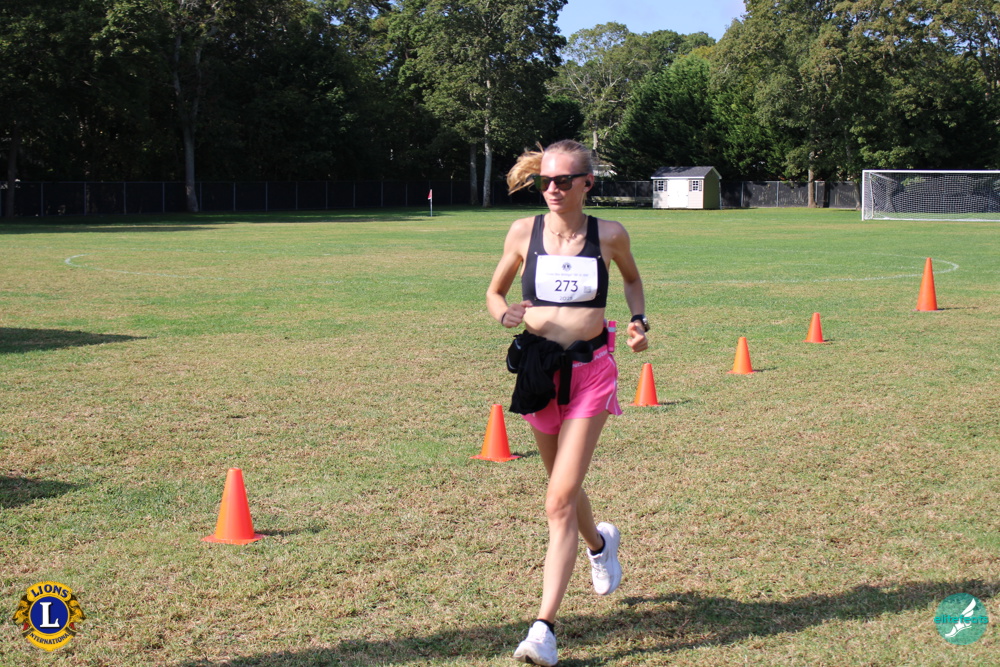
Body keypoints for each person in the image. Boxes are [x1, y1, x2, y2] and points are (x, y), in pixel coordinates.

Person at [486, 139, 649, 666]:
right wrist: (503, 313)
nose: (552, 189)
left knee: (557, 501)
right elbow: (493, 292)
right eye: (545, 181)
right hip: (538, 371)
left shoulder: (610, 234)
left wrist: (638, 321)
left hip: (590, 372)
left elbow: (632, 281)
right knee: (562, 484)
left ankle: (544, 630)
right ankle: (600, 545)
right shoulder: (523, 232)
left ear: (586, 183)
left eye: (562, 180)